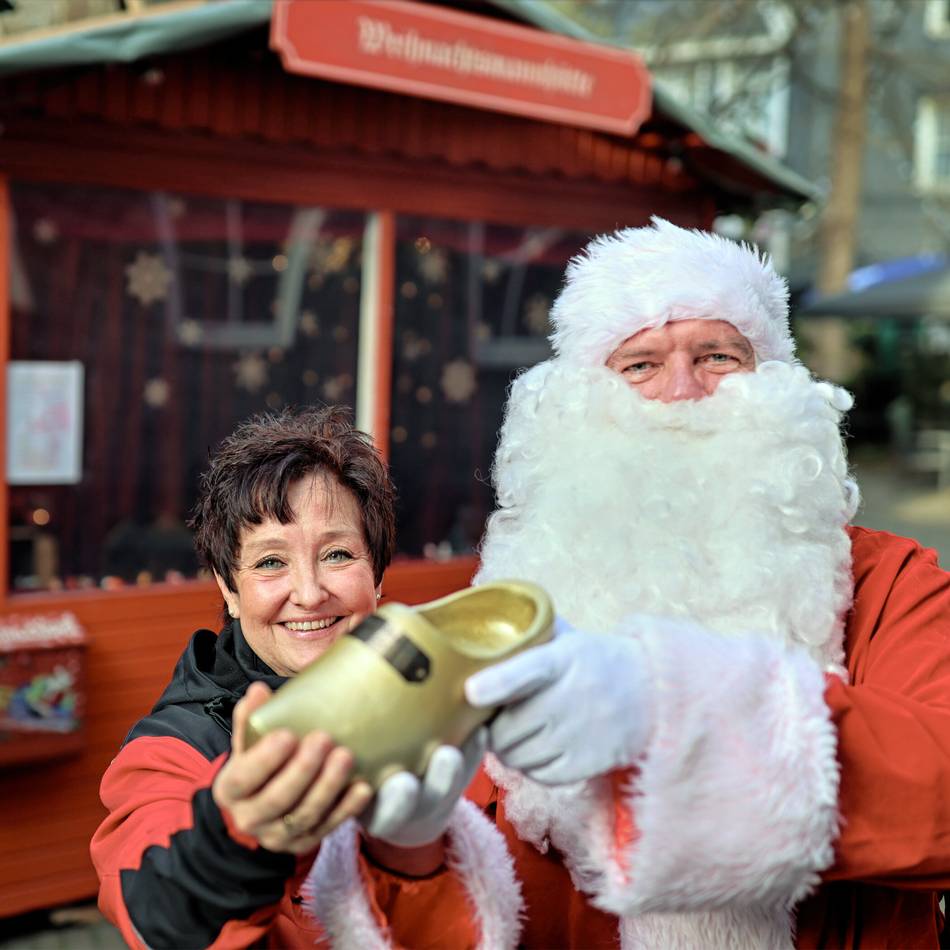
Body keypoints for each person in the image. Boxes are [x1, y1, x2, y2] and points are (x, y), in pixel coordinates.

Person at [456, 218, 950, 947]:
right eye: (639, 365)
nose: (683, 391)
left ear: (777, 382)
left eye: (718, 355)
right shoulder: (508, 608)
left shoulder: (890, 583)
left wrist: (671, 705)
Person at [90, 406, 521, 949]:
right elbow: (156, 915)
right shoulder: (178, 748)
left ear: (376, 573)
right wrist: (231, 843)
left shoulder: (456, 697)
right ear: (228, 588)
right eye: (271, 562)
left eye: (337, 554)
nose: (311, 593)